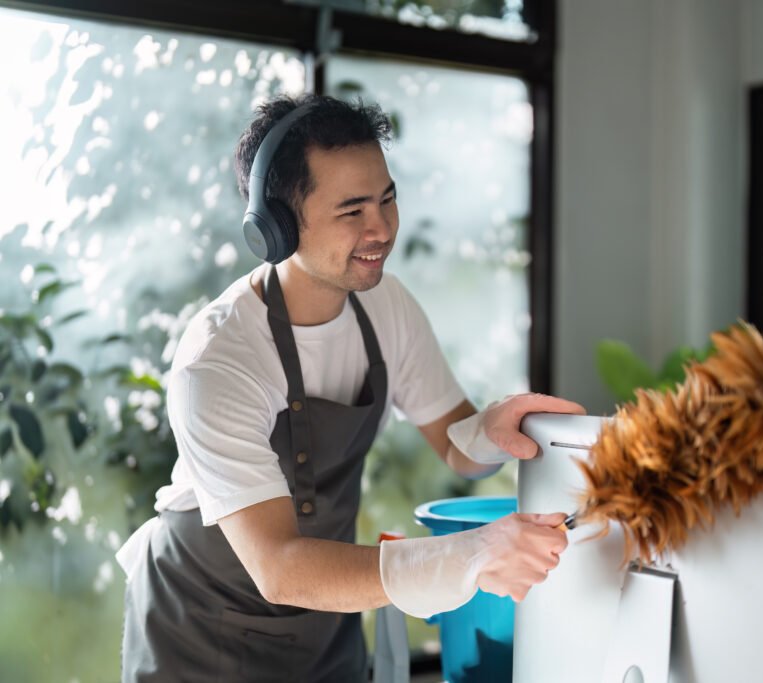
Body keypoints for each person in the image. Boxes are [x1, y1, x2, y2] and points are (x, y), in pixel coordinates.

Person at [117, 93, 585, 682]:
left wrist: (491, 431)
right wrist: (470, 557)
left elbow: (457, 448)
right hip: (204, 629)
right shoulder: (217, 360)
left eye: (388, 199)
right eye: (352, 211)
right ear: (278, 227)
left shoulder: (383, 304)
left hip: (328, 613)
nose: (382, 228)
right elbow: (280, 568)